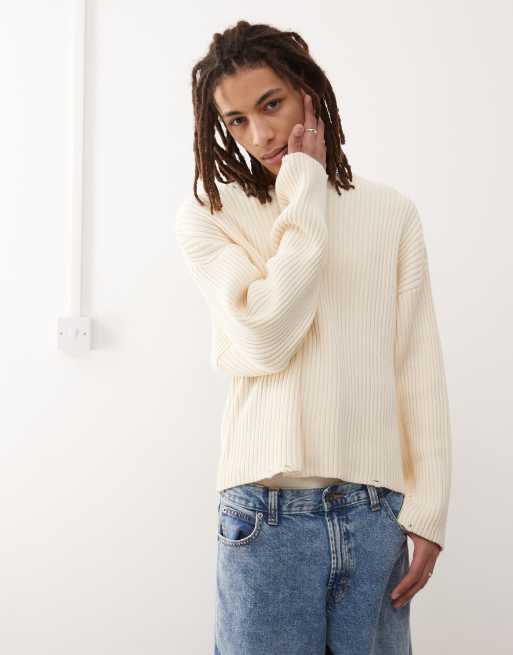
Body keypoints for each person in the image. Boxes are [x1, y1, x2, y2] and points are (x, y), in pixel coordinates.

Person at [175, 19, 452, 655]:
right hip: (263, 518)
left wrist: (430, 509)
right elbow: (268, 337)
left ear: (307, 91)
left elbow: (417, 366)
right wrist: (304, 192)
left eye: (270, 104)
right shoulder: (210, 215)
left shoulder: (390, 213)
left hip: (374, 511)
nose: (261, 134)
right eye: (238, 120)